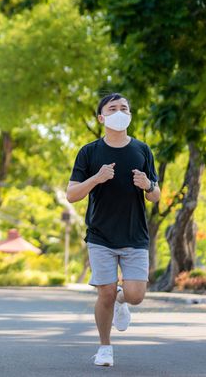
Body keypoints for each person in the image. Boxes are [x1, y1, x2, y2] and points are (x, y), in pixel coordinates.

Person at [66, 93, 160, 367]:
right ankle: (104, 348)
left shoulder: (142, 150)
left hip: (135, 236)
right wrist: (96, 178)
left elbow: (156, 196)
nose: (120, 112)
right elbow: (72, 194)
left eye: (124, 108)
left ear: (130, 115)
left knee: (136, 295)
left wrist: (148, 186)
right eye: (113, 108)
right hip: (100, 236)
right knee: (104, 293)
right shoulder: (89, 152)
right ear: (101, 117)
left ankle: (123, 301)